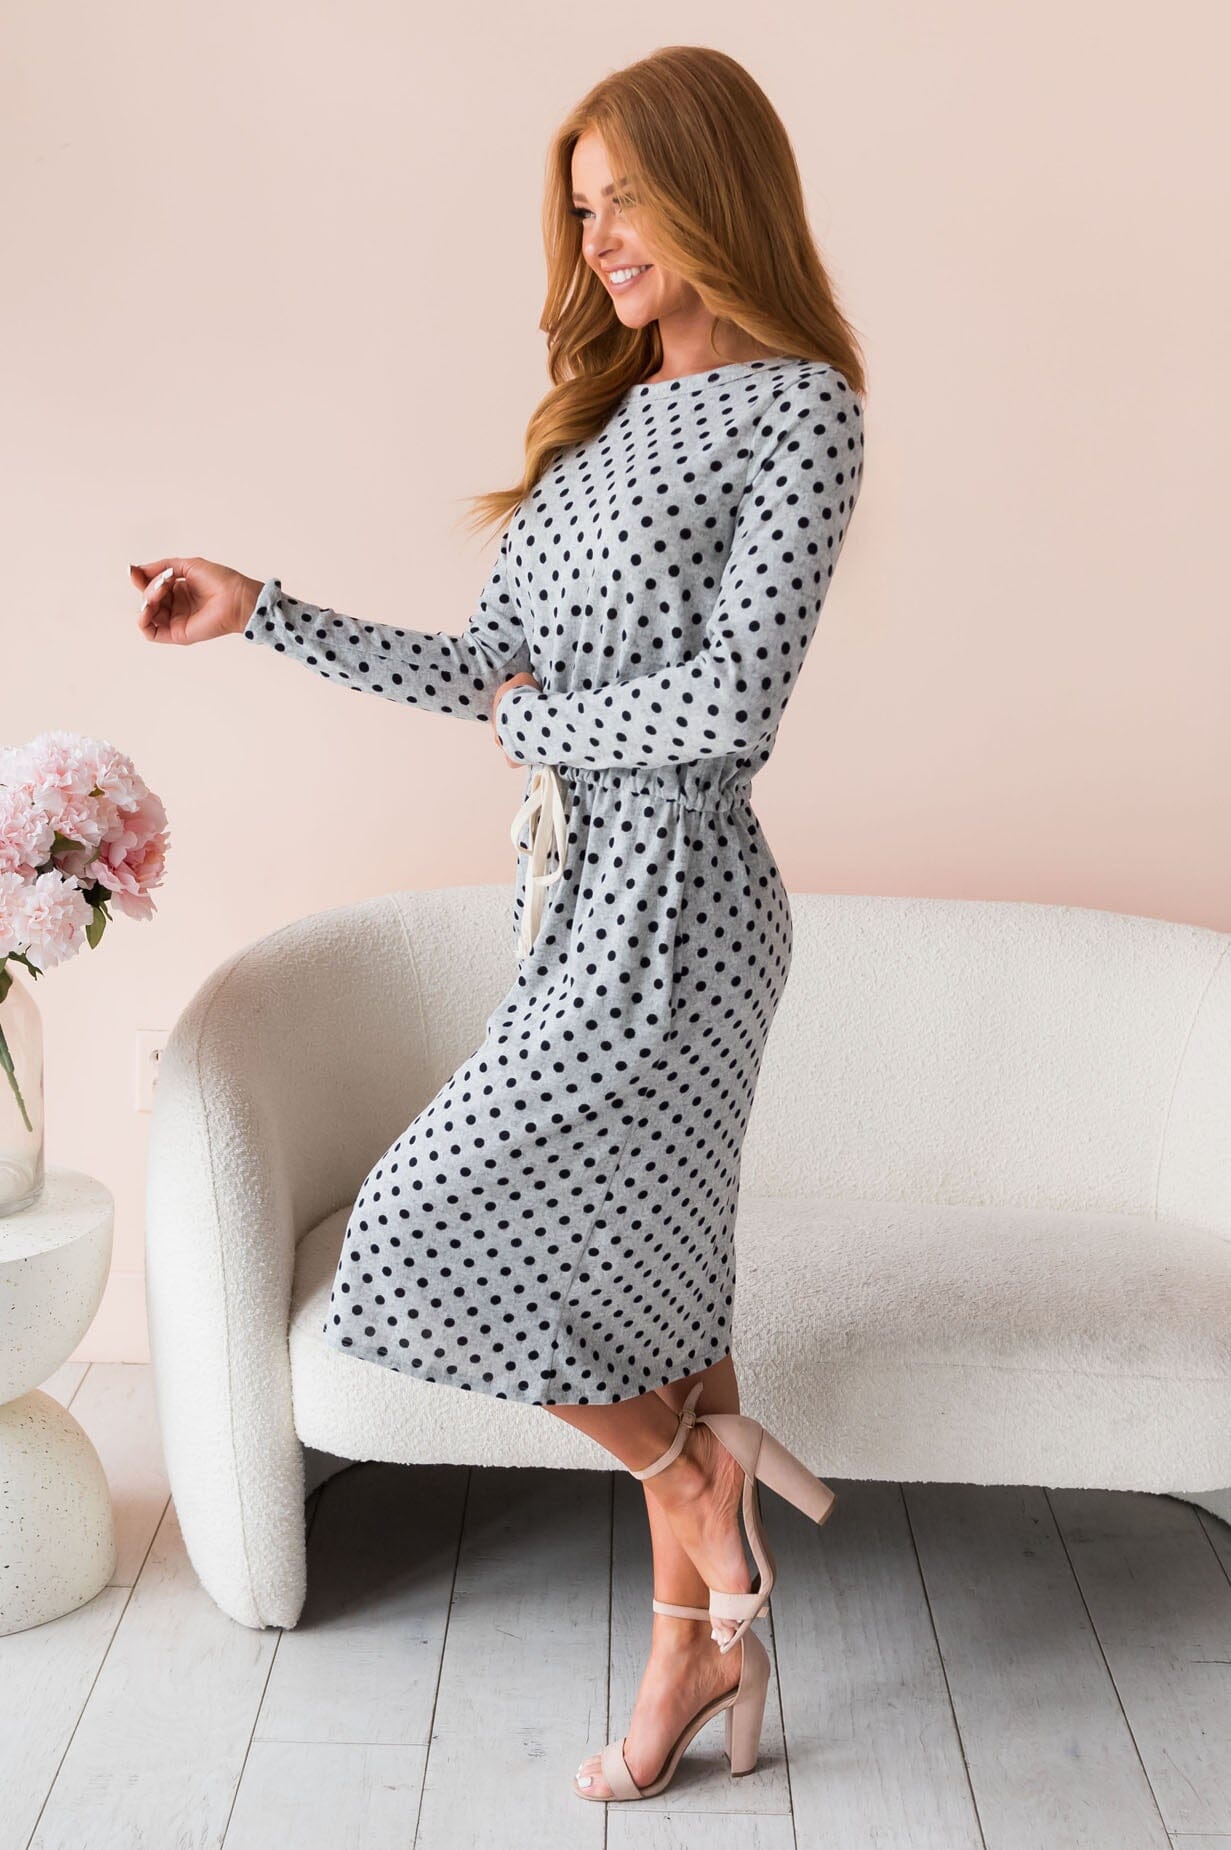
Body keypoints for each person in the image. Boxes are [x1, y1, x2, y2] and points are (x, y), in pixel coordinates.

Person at [131, 42, 865, 1808]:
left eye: (630, 200)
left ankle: (691, 1480)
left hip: (683, 910)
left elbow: (733, 708)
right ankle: (697, 1643)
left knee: (410, 1233)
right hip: (578, 901)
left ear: (718, 192)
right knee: (669, 1308)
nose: (599, 240)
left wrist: (546, 723)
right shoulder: (604, 424)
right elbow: (488, 676)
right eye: (583, 208)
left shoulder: (803, 406)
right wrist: (264, 609)